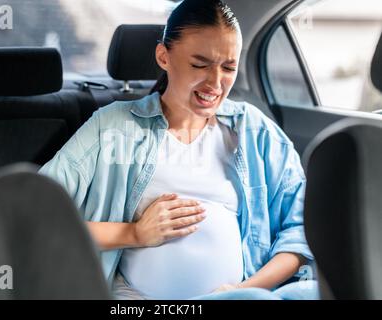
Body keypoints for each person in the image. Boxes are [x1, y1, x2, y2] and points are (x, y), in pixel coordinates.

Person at [39, 0, 319, 300]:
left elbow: (300, 230)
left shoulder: (255, 132)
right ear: (163, 56)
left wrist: (247, 289)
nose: (215, 82)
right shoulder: (112, 128)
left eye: (228, 67)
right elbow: (35, 216)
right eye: (199, 64)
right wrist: (133, 233)